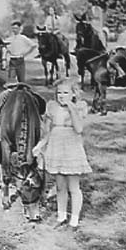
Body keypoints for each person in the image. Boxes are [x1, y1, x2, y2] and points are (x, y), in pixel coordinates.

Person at [33, 78, 92, 230]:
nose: (61, 96)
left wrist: (71, 107)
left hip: (71, 148)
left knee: (73, 186)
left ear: (73, 94)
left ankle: (74, 220)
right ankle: (61, 216)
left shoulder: (79, 106)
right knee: (60, 186)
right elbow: (47, 132)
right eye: (59, 93)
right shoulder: (52, 107)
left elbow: (79, 129)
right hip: (56, 147)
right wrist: (40, 146)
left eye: (66, 93)